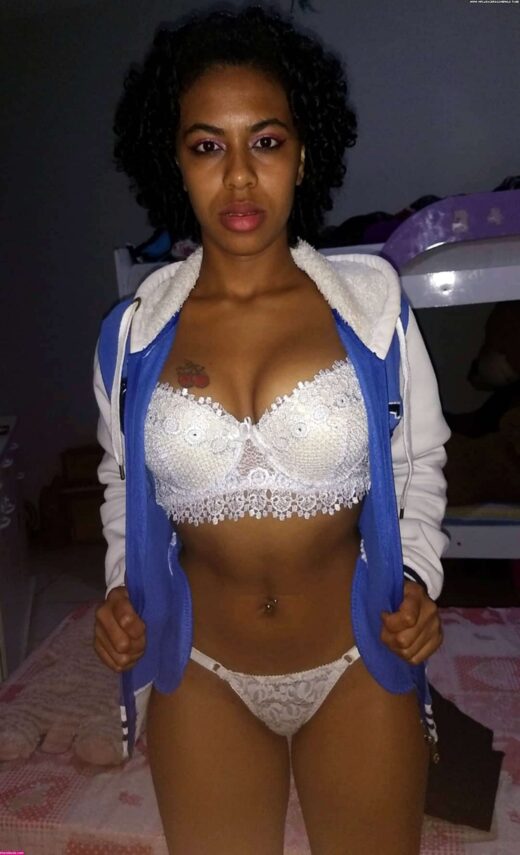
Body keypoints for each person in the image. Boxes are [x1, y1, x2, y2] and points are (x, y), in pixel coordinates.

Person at [93, 6, 450, 853]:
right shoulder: (133, 336)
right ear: (174, 163)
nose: (241, 177)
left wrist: (417, 578)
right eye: (206, 146)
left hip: (357, 662)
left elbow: (419, 459)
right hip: (202, 674)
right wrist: (120, 594)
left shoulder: (372, 310)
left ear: (304, 153)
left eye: (266, 141)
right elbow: (120, 483)